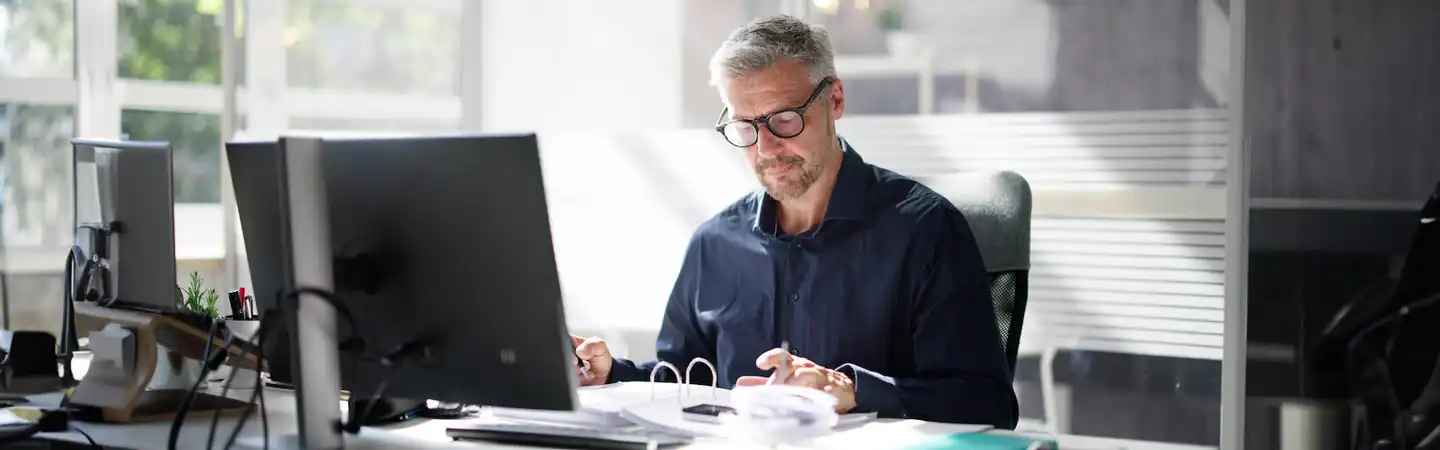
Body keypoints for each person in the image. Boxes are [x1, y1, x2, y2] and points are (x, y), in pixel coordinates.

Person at [572, 15, 1017, 428]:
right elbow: (684, 382)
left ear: (835, 100)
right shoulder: (715, 243)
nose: (765, 149)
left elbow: (986, 402)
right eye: (746, 127)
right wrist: (611, 373)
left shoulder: (927, 231)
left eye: (784, 120)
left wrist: (852, 391)